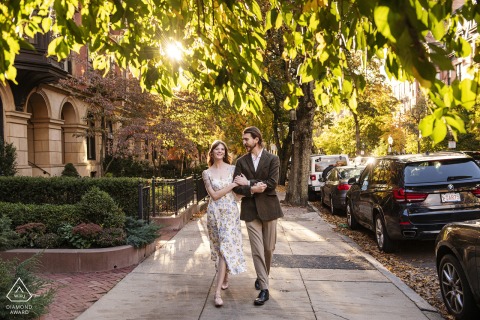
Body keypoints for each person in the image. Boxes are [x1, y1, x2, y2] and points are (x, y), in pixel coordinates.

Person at [232, 126, 284, 306]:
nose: (244, 142)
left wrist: (248, 182)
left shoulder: (273, 159)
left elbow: (272, 184)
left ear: (256, 139)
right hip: (250, 210)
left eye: (246, 139)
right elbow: (236, 187)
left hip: (269, 209)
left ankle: (263, 276)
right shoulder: (241, 161)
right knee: (256, 250)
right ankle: (264, 288)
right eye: (243, 139)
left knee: (268, 248)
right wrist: (251, 188)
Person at [202, 140, 246, 308]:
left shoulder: (234, 169)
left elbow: (240, 191)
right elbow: (214, 195)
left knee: (224, 249)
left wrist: (245, 186)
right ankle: (225, 276)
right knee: (219, 247)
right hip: (214, 213)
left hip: (230, 214)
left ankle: (217, 292)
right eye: (216, 149)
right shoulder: (206, 173)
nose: (219, 151)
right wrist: (234, 184)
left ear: (225, 152)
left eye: (222, 149)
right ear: (211, 152)